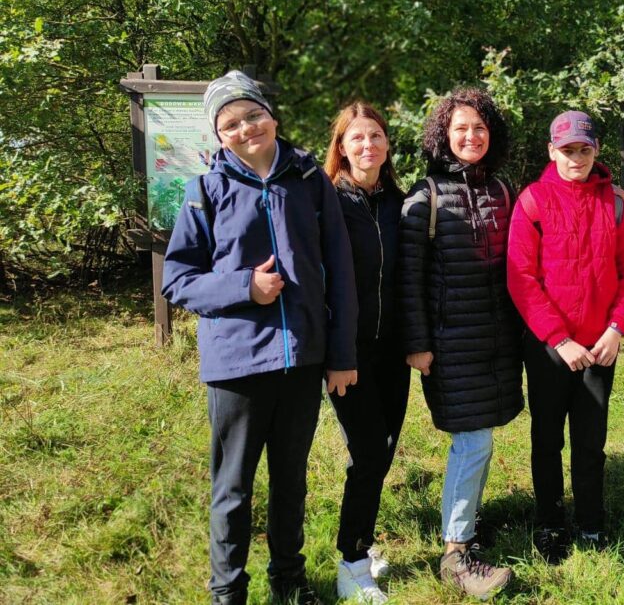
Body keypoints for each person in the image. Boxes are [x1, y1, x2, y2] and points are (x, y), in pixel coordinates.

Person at [162, 70, 358, 605]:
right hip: (237, 365)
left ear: (272, 117)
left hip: (303, 357)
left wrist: (340, 354)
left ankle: (289, 582)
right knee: (233, 487)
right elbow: (178, 280)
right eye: (231, 123)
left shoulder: (310, 180)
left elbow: (339, 269)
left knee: (291, 480)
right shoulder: (206, 190)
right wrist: (246, 287)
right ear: (218, 135)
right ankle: (228, 591)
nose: (246, 128)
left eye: (253, 115)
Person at [398, 86, 524, 599]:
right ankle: (456, 553)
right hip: (450, 344)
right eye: (460, 129)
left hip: (497, 341)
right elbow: (409, 279)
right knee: (472, 442)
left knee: (481, 440)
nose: (470, 136)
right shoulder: (424, 196)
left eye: (479, 127)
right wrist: (418, 344)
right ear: (443, 137)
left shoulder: (504, 189)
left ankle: (465, 523)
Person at [506, 110, 624, 563]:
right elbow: (521, 278)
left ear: (596, 150)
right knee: (547, 439)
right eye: (567, 150)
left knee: (591, 442)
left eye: (584, 149)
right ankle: (548, 523)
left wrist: (616, 328)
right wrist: (558, 339)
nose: (576, 158)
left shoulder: (616, 204)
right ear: (552, 150)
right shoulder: (533, 201)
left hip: (600, 346)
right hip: (549, 348)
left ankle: (590, 522)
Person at [323, 102, 410, 604]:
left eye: (375, 136)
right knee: (369, 452)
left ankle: (363, 542)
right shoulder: (327, 202)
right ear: (341, 146)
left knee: (383, 448)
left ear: (386, 145)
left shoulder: (399, 203)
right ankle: (351, 561)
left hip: (392, 352)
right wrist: (336, 354)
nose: (368, 146)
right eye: (357, 138)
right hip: (346, 354)